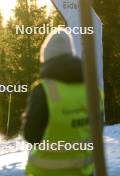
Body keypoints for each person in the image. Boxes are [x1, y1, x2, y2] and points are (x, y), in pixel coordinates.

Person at [23, 28, 94, 176]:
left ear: (46, 58)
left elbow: (31, 135)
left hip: (45, 172)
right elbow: (96, 130)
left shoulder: (43, 91)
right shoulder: (92, 89)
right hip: (83, 172)